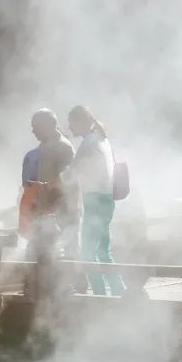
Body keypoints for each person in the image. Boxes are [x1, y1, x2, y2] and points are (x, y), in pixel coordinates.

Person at [64, 105, 124, 295]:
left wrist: (48, 185)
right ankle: (118, 290)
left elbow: (71, 173)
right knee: (104, 251)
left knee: (88, 253)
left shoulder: (89, 142)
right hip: (107, 200)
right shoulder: (102, 138)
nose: (70, 129)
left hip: (95, 201)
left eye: (72, 124)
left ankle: (99, 293)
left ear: (81, 121)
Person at [19, 109, 78, 258]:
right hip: (42, 212)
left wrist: (46, 192)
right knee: (35, 256)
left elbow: (68, 181)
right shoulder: (39, 150)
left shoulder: (63, 148)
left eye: (36, 126)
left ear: (48, 125)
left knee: (59, 258)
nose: (33, 131)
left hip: (58, 214)